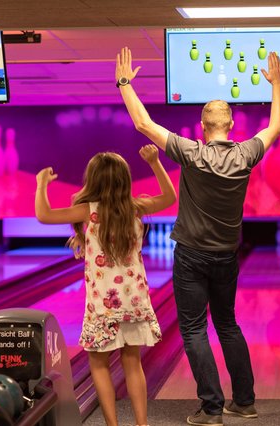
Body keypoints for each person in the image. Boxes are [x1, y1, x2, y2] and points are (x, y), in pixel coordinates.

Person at [115, 46, 280, 425]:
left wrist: (124, 83)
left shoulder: (191, 153)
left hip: (191, 254)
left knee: (194, 329)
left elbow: (144, 124)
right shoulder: (245, 154)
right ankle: (244, 402)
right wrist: (278, 84)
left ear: (202, 125)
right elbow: (274, 128)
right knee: (228, 324)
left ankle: (211, 409)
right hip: (227, 255)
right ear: (231, 125)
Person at [35, 145, 176, 426]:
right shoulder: (136, 207)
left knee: (98, 364)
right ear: (125, 180)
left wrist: (41, 185)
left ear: (93, 180)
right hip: (135, 301)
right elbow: (171, 197)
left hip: (102, 305)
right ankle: (141, 424)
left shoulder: (88, 210)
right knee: (132, 362)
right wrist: (155, 163)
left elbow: (44, 215)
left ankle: (112, 425)